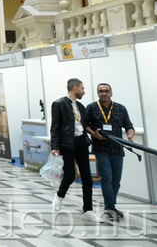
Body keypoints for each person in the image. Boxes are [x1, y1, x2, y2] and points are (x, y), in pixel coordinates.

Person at [50, 78, 100, 222]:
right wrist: (55, 146)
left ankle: (88, 210)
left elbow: (83, 124)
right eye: (82, 88)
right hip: (67, 144)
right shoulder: (59, 104)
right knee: (70, 175)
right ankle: (59, 195)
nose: (84, 91)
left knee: (87, 177)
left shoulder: (80, 106)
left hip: (81, 143)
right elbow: (55, 127)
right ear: (75, 88)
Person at [85, 83, 135, 222]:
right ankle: (110, 207)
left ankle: (111, 205)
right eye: (101, 91)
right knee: (106, 177)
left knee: (116, 180)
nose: (104, 93)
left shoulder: (120, 108)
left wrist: (130, 135)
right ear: (98, 93)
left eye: (106, 91)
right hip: (100, 148)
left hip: (117, 148)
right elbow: (85, 125)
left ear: (111, 93)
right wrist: (94, 134)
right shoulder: (91, 107)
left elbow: (129, 126)